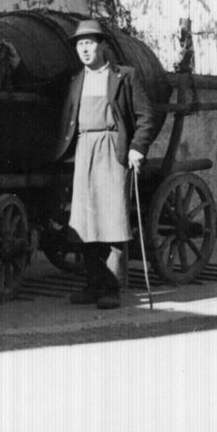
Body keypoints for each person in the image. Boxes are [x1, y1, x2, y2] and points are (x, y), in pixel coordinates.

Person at [55, 18, 157, 310]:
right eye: (80, 44)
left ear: (102, 46)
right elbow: (43, 84)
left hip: (113, 149)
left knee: (112, 219)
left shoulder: (125, 76)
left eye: (89, 43)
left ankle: (112, 287)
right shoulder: (77, 80)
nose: (84, 50)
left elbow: (145, 116)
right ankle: (92, 284)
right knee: (86, 221)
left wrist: (137, 148)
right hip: (84, 148)